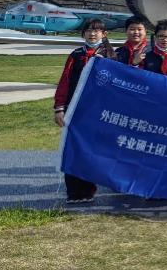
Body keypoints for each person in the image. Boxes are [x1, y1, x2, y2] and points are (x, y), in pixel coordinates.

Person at [53, 18, 110, 203]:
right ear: (83, 33)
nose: (92, 34)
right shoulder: (76, 55)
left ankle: (88, 190)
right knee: (72, 148)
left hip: (97, 112)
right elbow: (65, 81)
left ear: (104, 34)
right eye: (89, 30)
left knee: (91, 150)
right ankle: (73, 191)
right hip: (75, 109)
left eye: (96, 30)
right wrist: (59, 107)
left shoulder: (110, 55)